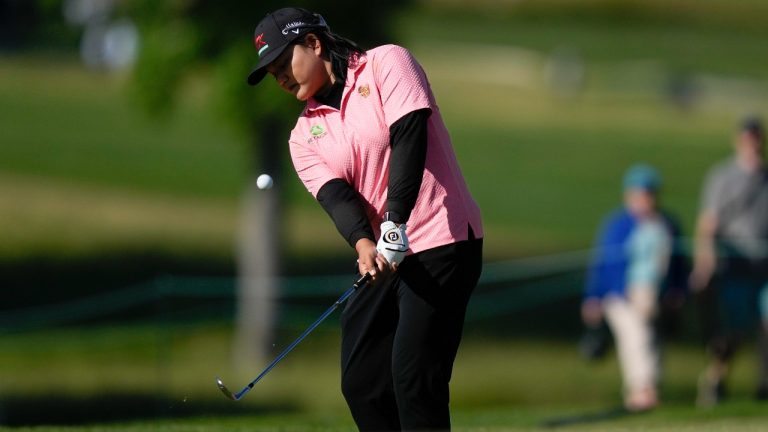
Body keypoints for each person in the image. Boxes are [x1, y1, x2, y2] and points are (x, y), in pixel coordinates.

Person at [246, 7, 483, 431]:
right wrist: (363, 242)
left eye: (284, 64)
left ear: (314, 44)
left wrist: (394, 220)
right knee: (363, 380)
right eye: (272, 73)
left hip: (443, 239)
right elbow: (336, 198)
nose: (280, 78)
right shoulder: (302, 137)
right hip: (388, 256)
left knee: (414, 377)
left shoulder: (387, 63)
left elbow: (409, 136)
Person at [581, 164, 685, 412]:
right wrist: (593, 296)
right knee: (637, 338)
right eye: (640, 194)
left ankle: (649, 391)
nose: (645, 200)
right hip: (621, 296)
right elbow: (602, 264)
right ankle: (641, 389)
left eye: (650, 194)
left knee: (653, 343)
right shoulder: (618, 225)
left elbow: (679, 264)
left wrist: (678, 291)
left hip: (655, 296)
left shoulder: (668, 225)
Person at [689, 116, 768, 407]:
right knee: (734, 330)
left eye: (756, 137)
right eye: (747, 138)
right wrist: (704, 262)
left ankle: (764, 383)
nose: (752, 144)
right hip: (735, 266)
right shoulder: (721, 177)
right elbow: (708, 224)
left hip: (765, 268)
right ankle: (716, 378)